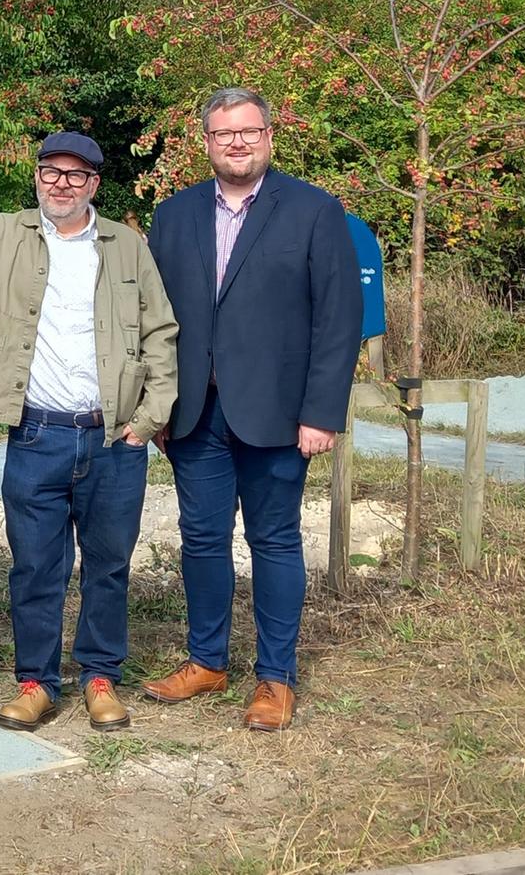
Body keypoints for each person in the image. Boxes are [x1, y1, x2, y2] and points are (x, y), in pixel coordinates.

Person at [0, 131, 179, 733]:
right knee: (35, 565)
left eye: (76, 175)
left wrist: (148, 421)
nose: (62, 183)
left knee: (109, 564)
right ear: (36, 176)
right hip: (36, 436)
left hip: (115, 439)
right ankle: (36, 682)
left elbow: (161, 332)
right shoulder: (5, 233)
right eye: (51, 172)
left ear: (94, 185)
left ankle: (100, 678)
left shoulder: (126, 246)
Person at [142, 87, 362, 731]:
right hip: (195, 415)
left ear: (269, 135)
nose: (237, 142)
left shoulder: (315, 211)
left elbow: (338, 320)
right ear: (205, 142)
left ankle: (275, 678)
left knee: (274, 541)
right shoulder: (174, 216)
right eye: (223, 133)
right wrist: (157, 405)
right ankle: (207, 661)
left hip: (278, 414)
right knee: (202, 541)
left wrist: (321, 413)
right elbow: (154, 320)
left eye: (248, 131)